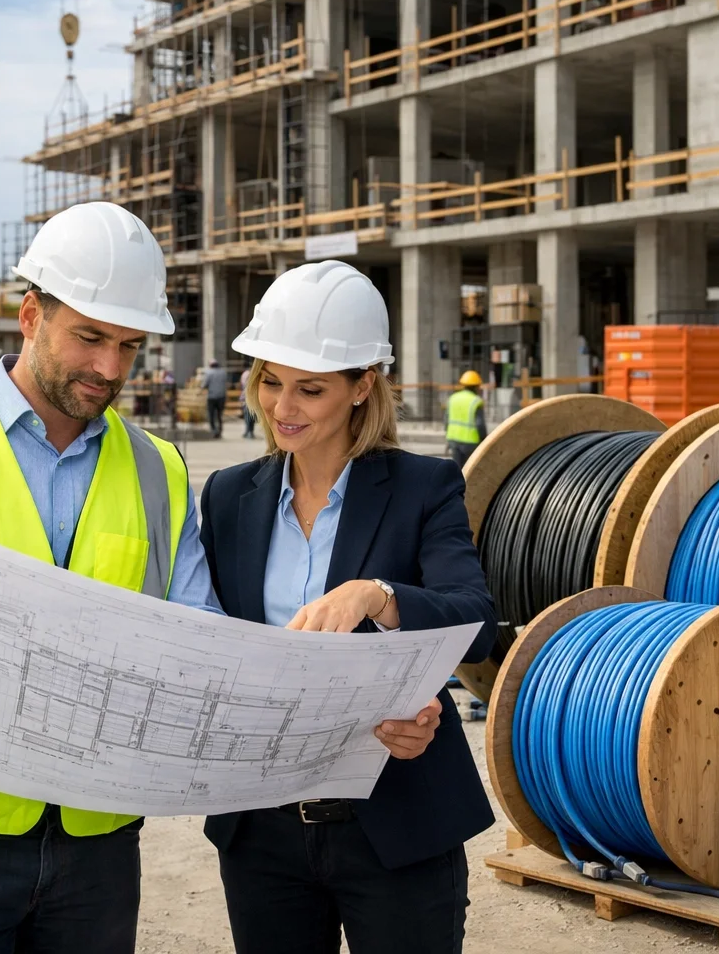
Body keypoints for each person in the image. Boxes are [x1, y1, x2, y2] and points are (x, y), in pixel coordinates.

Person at [0, 201, 225, 954]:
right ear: (29, 315)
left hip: (97, 841)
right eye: (89, 337)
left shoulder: (160, 471)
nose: (110, 369)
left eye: (129, 345)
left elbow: (197, 636)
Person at [199, 259, 497, 954]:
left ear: (363, 385)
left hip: (395, 821)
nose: (282, 408)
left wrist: (380, 597)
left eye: (310, 388)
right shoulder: (227, 496)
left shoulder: (424, 486)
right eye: (270, 381)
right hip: (261, 830)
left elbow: (476, 623)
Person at [445, 369, 487, 469]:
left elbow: (446, 421)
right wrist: (484, 440)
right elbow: (480, 424)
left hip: (453, 440)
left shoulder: (452, 398)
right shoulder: (476, 401)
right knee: (471, 471)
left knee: (458, 470)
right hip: (470, 443)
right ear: (477, 386)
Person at [202, 358, 227, 438]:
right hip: (222, 397)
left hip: (212, 397)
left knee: (211, 414)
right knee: (219, 415)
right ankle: (220, 430)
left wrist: (202, 387)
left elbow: (205, 384)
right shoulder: (223, 372)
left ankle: (214, 430)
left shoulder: (209, 373)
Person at [239, 361, 256, 438]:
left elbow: (243, 386)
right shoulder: (252, 373)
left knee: (247, 416)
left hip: (246, 397)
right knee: (251, 416)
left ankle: (248, 432)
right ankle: (250, 431)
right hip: (253, 397)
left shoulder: (245, 374)